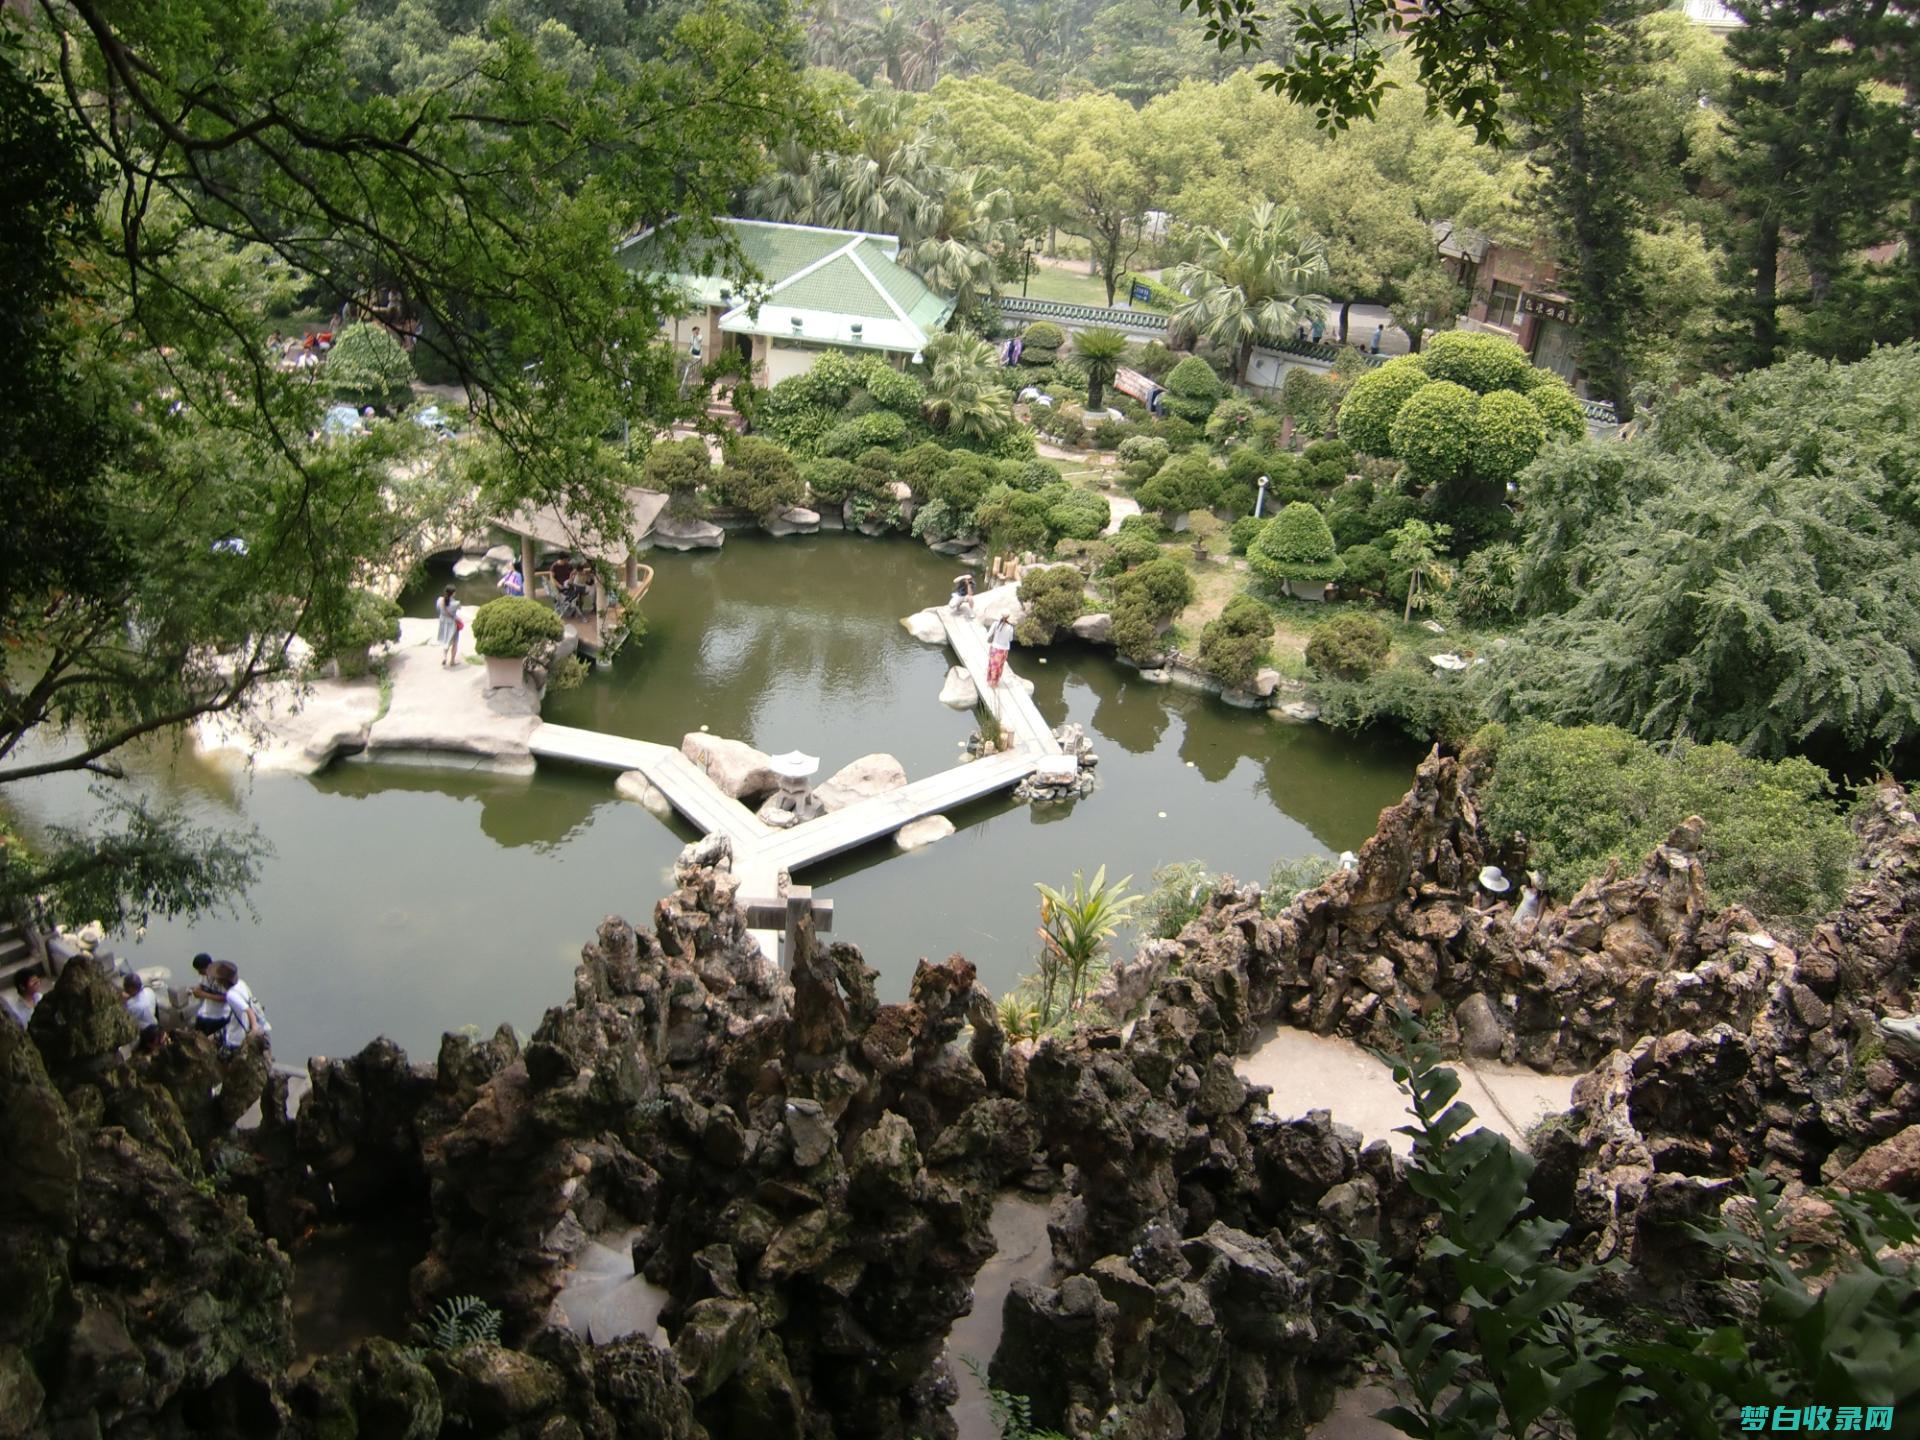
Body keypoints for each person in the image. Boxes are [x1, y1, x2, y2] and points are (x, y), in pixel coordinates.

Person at [214, 960, 270, 1052]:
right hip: (251, 1028)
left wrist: (254, 1028)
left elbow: (248, 1010)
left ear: (222, 981)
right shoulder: (241, 983)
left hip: (236, 1040)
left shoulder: (231, 995)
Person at [189, 953, 229, 1037]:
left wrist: (204, 994)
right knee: (198, 1031)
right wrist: (196, 990)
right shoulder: (203, 976)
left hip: (220, 1015)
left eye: (201, 970)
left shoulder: (221, 978)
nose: (199, 973)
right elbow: (200, 987)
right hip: (206, 1012)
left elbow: (226, 998)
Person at [436, 585, 462, 666]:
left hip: (443, 622)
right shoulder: (455, 603)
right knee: (455, 643)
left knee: (446, 641)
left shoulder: (440, 600)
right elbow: (460, 608)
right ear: (453, 593)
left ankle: (444, 657)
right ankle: (452, 661)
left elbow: (438, 609)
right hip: (452, 624)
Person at [985, 615, 1014, 687]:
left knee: (992, 665)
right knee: (999, 666)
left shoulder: (995, 624)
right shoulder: (1010, 628)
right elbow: (1010, 639)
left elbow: (989, 634)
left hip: (994, 648)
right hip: (1003, 650)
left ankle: (990, 681)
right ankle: (995, 683)